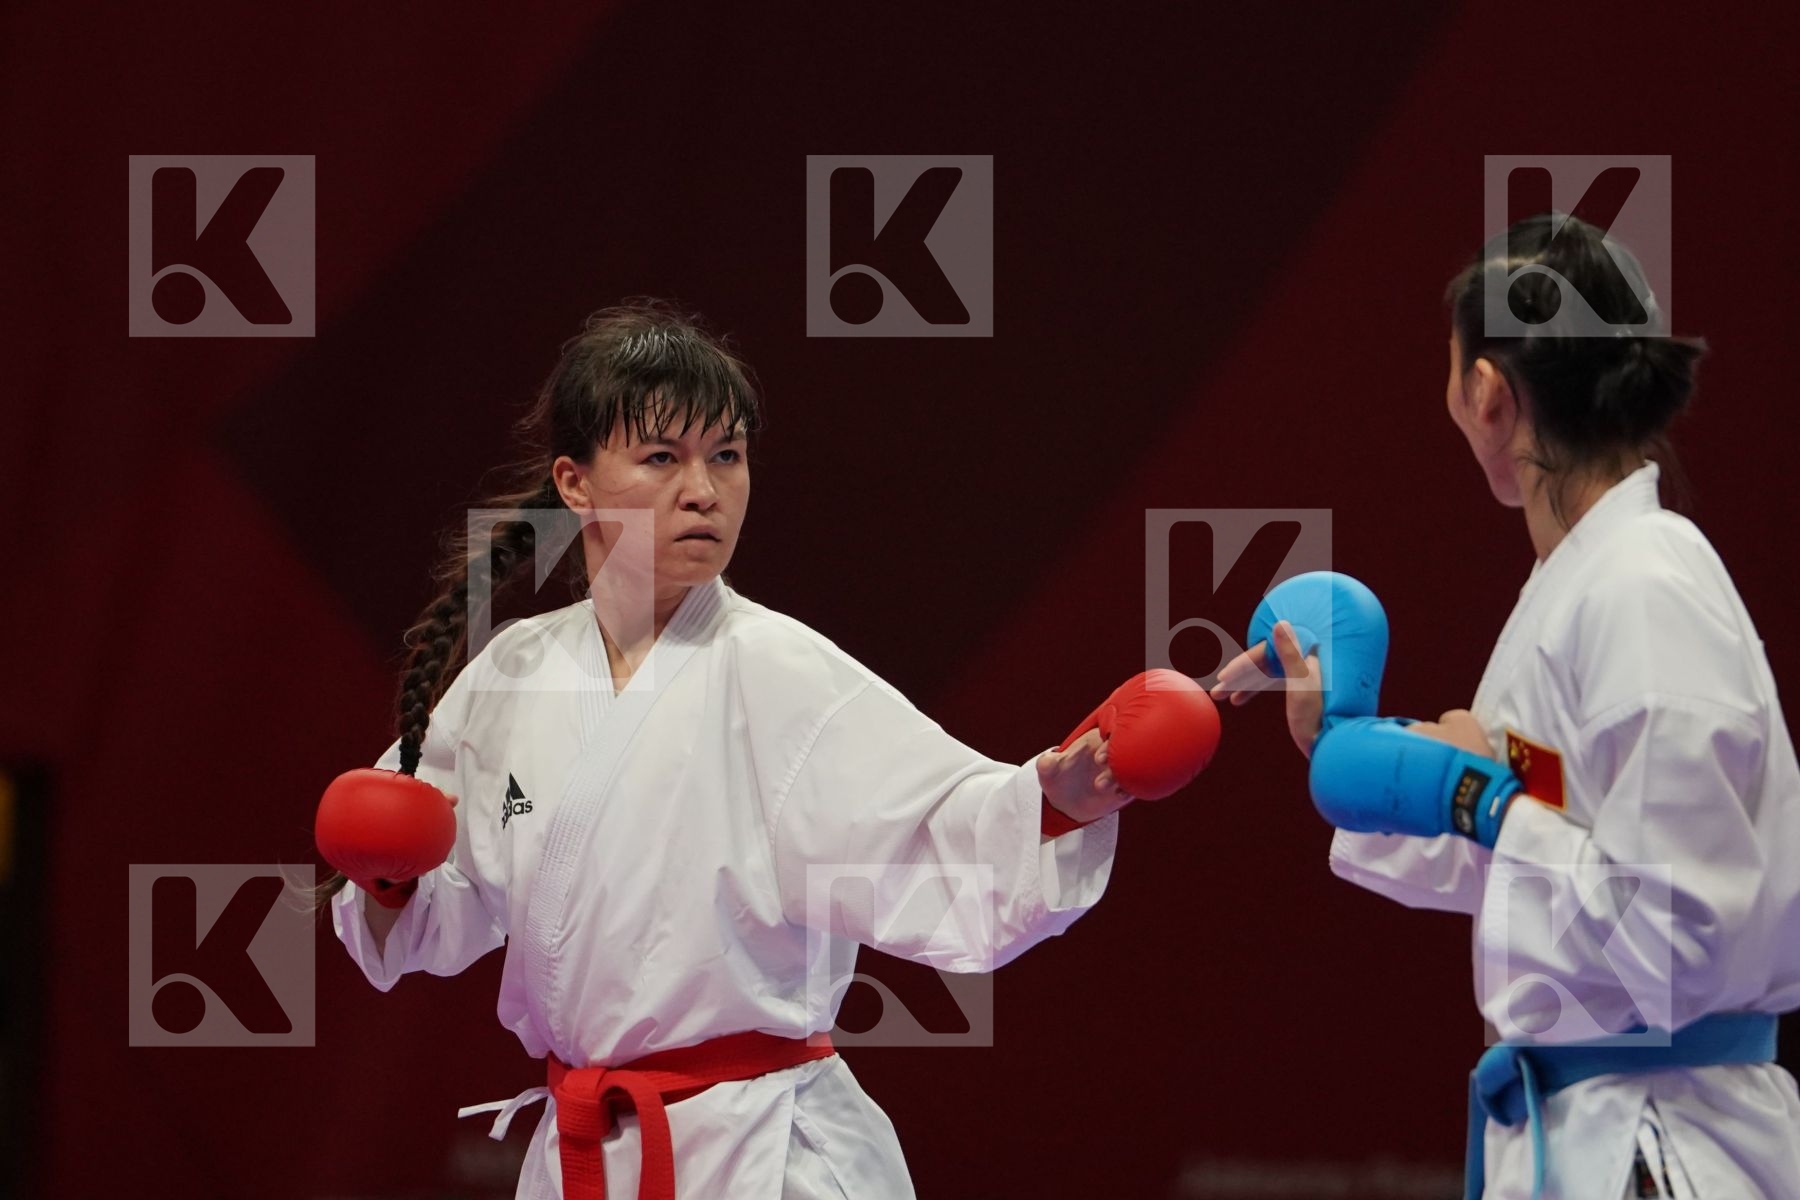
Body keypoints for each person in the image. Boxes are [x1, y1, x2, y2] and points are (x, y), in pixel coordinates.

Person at [313, 299, 1150, 1200]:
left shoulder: (784, 672)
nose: (704, 489)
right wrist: (393, 874)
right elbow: (438, 916)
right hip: (586, 1149)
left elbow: (938, 834)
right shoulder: (514, 674)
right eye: (662, 458)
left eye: (727, 455)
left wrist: (1056, 802)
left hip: (765, 1155)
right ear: (576, 482)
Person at [1214, 215, 1800, 1198]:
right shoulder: (1582, 582)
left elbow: (1677, 938)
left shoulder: (1644, 587)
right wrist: (1357, 749)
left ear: (1487, 393)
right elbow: (1531, 855)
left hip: (1660, 1148)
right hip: (1589, 1137)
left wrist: (1483, 799)